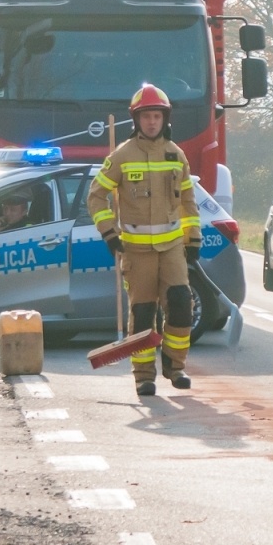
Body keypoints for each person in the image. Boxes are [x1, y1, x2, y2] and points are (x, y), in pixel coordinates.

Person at [86, 84, 202, 397]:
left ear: (165, 119)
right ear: (136, 119)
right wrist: (109, 233)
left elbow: (187, 200)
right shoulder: (122, 156)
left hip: (172, 248)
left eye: (157, 116)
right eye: (146, 116)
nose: (152, 122)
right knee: (143, 314)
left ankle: (175, 367)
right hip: (137, 251)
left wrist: (193, 238)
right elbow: (96, 197)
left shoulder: (176, 155)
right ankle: (143, 376)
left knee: (181, 304)